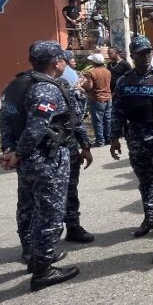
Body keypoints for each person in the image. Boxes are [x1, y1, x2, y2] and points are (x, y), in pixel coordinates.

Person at [0, 41, 83, 291]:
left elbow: (6, 120)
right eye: (62, 59)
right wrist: (18, 154)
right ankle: (44, 267)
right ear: (56, 62)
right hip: (46, 158)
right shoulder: (46, 89)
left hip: (26, 160)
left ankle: (33, 254)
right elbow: (36, 128)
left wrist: (10, 150)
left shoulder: (15, 85)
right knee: (50, 213)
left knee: (28, 206)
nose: (65, 62)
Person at [111, 35, 153, 240]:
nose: (145, 57)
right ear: (132, 56)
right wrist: (114, 137)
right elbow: (117, 111)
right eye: (140, 54)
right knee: (144, 181)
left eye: (148, 53)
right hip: (135, 139)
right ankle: (150, 217)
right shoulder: (124, 81)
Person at [61, 71, 96, 244]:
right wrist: (85, 146)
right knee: (63, 194)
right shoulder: (60, 88)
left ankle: (31, 246)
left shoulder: (20, 85)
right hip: (59, 152)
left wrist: (12, 150)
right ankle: (42, 248)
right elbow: (76, 121)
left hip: (35, 155)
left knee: (31, 199)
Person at [84, 53, 113, 146]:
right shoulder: (107, 71)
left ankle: (100, 141)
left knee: (98, 121)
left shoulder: (91, 73)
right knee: (107, 119)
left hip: (97, 98)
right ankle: (108, 139)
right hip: (108, 97)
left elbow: (90, 86)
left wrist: (83, 84)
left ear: (94, 62)